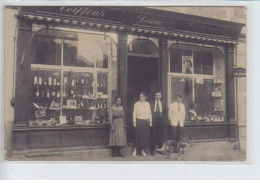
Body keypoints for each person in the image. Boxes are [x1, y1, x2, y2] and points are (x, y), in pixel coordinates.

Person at [132, 92, 152, 156]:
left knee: (144, 137)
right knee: (137, 136)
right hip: (139, 121)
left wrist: (150, 122)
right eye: (140, 97)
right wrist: (134, 122)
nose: (142, 98)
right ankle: (135, 150)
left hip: (145, 121)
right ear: (139, 97)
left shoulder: (147, 104)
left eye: (143, 97)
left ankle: (142, 150)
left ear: (145, 97)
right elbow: (134, 113)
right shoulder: (136, 104)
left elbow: (149, 113)